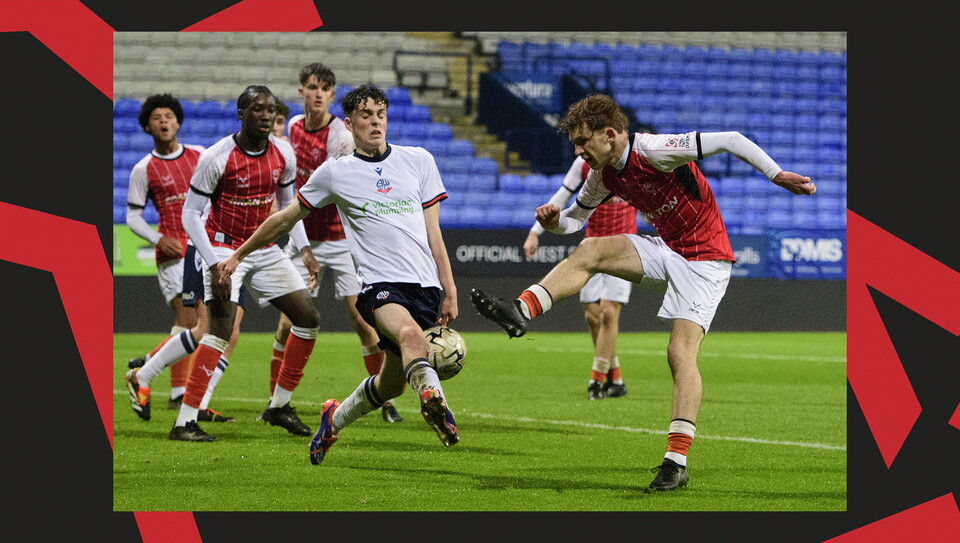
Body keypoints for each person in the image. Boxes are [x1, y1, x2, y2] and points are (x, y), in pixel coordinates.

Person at [471, 93, 816, 492]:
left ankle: (676, 461)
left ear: (611, 135)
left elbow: (732, 139)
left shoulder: (653, 149)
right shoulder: (601, 175)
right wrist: (551, 224)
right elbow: (575, 223)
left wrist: (776, 175)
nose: (580, 152)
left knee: (678, 353)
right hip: (667, 247)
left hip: (706, 259)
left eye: (584, 143)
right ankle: (521, 310)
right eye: (577, 146)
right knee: (590, 250)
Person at [217, 84, 460, 465]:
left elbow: (434, 232)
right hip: (381, 287)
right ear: (349, 124)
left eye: (380, 113)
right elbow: (284, 219)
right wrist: (238, 254)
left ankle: (333, 419)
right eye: (365, 115)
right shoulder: (335, 173)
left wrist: (449, 288)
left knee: (390, 384)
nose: (375, 121)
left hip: (426, 287)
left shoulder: (419, 160)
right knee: (412, 335)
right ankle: (437, 406)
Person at [170, 84, 321, 442]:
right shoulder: (216, 157)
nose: (266, 115)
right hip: (222, 249)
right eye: (257, 109)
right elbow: (190, 215)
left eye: (270, 109)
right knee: (220, 330)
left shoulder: (284, 153)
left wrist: (303, 249)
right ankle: (184, 422)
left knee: (308, 318)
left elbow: (289, 210)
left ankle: (279, 405)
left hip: (263, 247)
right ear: (241, 115)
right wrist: (212, 264)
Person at [266, 62, 402, 424]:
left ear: (331, 94)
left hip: (340, 240)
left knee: (363, 320)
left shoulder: (339, 138)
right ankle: (275, 401)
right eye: (311, 87)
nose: (316, 94)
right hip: (302, 238)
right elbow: (290, 189)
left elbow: (335, 190)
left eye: (324, 89)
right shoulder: (293, 128)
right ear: (302, 92)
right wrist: (302, 242)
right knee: (289, 321)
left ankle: (386, 401)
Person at [122, 93, 235, 422]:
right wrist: (159, 238)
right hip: (173, 255)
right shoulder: (143, 169)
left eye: (168, 115)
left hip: (206, 248)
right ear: (147, 126)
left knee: (207, 324)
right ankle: (177, 392)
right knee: (192, 322)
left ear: (179, 121)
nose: (164, 121)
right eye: (156, 117)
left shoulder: (200, 155)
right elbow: (132, 217)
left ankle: (158, 374)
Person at [522, 154, 638, 400]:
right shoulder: (584, 164)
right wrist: (535, 232)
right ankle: (615, 378)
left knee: (608, 312)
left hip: (624, 248)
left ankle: (596, 379)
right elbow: (562, 196)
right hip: (592, 248)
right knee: (593, 317)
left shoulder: (633, 159)